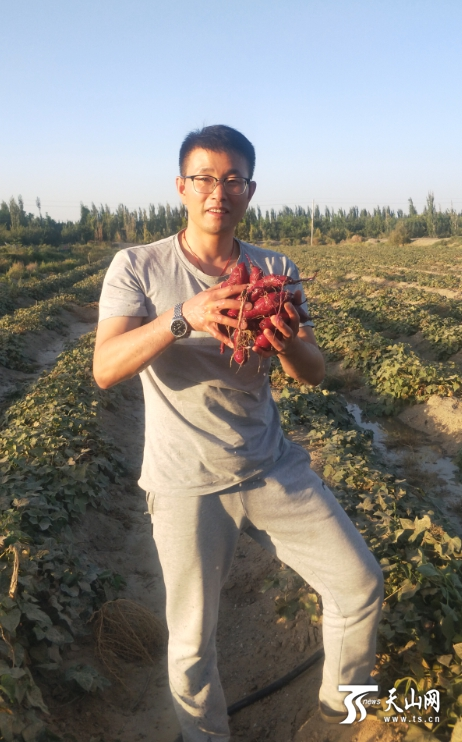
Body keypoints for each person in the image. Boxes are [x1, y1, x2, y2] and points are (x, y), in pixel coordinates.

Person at [93, 125, 384, 741]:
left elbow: (312, 372)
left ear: (249, 190)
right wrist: (184, 317)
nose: (217, 192)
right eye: (204, 178)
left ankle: (337, 717)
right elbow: (104, 368)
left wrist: (288, 346)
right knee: (193, 644)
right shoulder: (139, 267)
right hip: (185, 484)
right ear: (181, 187)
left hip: (272, 465)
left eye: (232, 180)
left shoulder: (274, 269)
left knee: (360, 584)